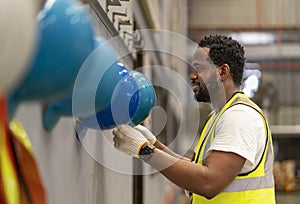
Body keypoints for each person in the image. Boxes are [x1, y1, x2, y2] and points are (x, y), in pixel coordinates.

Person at [112, 35, 276, 204]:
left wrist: (144, 150)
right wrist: (154, 144)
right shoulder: (219, 115)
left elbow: (208, 182)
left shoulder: (239, 117)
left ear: (223, 72)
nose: (192, 76)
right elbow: (198, 168)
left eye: (200, 68)